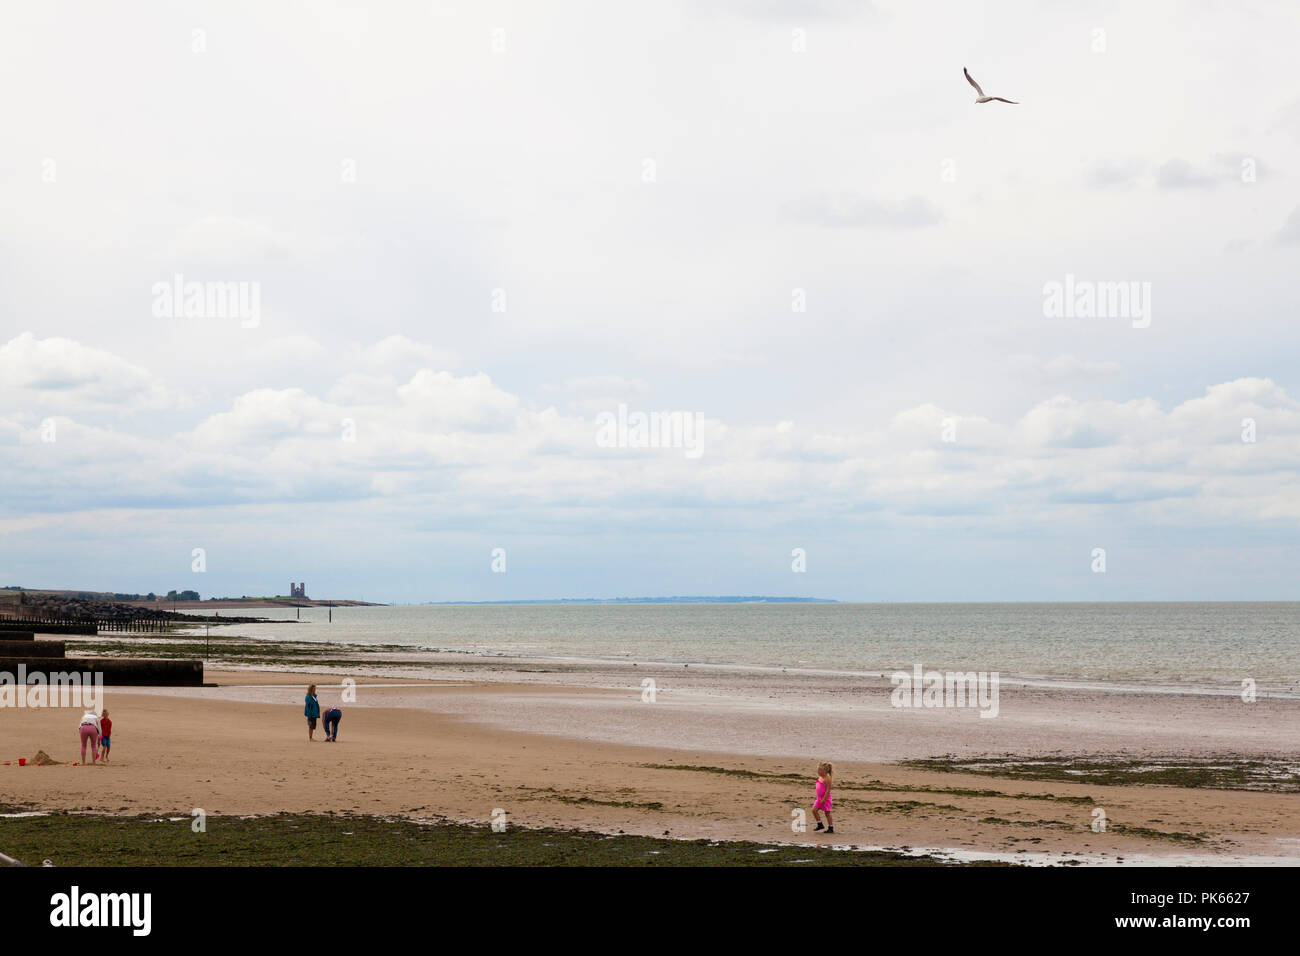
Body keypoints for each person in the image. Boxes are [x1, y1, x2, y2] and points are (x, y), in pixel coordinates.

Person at [812, 762, 834, 834]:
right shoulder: (820, 777)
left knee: (827, 813)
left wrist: (824, 799)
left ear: (825, 771)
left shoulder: (827, 778)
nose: (818, 772)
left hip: (826, 799)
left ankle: (831, 827)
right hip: (819, 799)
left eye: (820, 770)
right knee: (814, 810)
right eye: (818, 770)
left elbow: (828, 790)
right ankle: (820, 824)